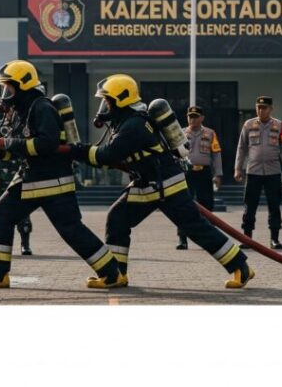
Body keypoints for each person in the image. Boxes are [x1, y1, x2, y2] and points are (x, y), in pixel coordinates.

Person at [68, 74, 254, 289]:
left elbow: (108, 155)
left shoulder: (133, 125)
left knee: (195, 227)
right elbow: (116, 158)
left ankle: (241, 267)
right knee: (118, 218)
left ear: (121, 100)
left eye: (108, 101)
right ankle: (117, 274)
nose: (105, 106)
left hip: (166, 185)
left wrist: (76, 150)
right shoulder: (126, 123)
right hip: (147, 184)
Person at [0, 60, 124, 288]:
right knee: (2, 215)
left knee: (70, 229)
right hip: (32, 177)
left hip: (52, 180)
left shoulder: (42, 107)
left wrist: (8, 142)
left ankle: (111, 273)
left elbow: (46, 144)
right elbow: (18, 151)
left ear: (23, 86)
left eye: (9, 88)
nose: (5, 93)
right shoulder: (21, 112)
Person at [234, 96, 282, 249]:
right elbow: (241, 148)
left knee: (274, 206)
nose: (261, 110)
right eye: (259, 107)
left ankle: (275, 239)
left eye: (264, 107)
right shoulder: (248, 124)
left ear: (271, 109)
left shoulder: (279, 125)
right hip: (253, 171)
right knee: (250, 206)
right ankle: (247, 238)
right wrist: (238, 168)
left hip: (273, 172)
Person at [0, 107, 34, 255]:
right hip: (3, 176)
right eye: (8, 110)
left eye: (13, 109)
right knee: (1, 212)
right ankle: (0, 247)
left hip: (22, 173)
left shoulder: (26, 125)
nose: (11, 112)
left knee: (24, 211)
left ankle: (25, 245)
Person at [175, 105, 223, 250]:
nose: (193, 119)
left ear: (202, 118)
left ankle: (209, 239)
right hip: (186, 174)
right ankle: (182, 239)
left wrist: (218, 174)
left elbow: (216, 154)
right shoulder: (180, 133)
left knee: (207, 206)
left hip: (204, 173)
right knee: (183, 206)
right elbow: (174, 155)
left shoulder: (210, 133)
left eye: (196, 117)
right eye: (190, 116)